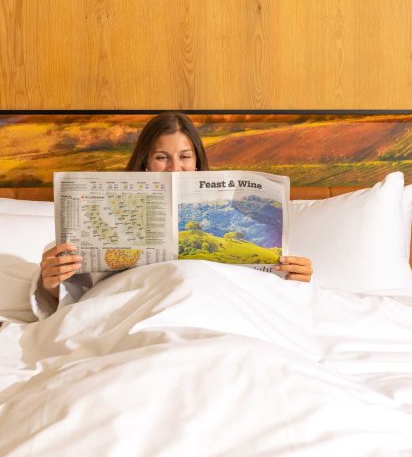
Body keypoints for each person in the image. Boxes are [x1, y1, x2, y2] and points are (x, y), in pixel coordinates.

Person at [34, 113, 313, 315]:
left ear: (196, 162)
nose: (174, 169)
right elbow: (74, 297)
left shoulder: (225, 209)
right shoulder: (106, 210)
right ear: (145, 162)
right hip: (135, 308)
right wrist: (50, 284)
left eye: (184, 157)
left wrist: (292, 276)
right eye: (162, 157)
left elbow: (252, 286)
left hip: (214, 306)